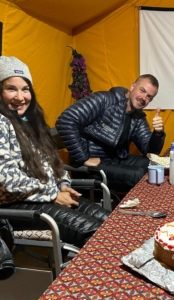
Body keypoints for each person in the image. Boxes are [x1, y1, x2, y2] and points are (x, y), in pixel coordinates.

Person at [0, 56, 111, 248]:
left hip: (44, 197)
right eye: (11, 89)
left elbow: (52, 164)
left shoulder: (30, 122)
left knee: (111, 222)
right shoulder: (1, 123)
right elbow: (6, 181)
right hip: (15, 207)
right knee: (98, 236)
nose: (20, 97)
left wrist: (63, 184)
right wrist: (52, 193)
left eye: (25, 89)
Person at [56, 74, 165, 193]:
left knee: (153, 165)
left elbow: (150, 151)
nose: (144, 98)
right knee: (137, 174)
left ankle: (157, 204)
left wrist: (158, 133)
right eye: (142, 90)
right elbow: (65, 120)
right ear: (133, 86)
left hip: (116, 159)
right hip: (91, 165)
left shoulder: (137, 116)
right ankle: (141, 208)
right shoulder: (104, 100)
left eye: (149, 97)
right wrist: (83, 158)